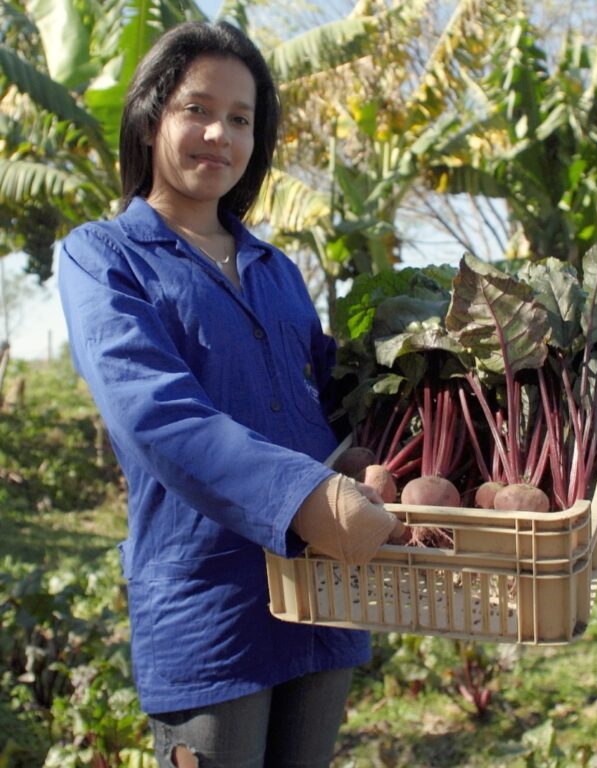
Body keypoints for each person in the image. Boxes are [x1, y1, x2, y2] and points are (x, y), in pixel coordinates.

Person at [58, 20, 407, 768]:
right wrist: (305, 498)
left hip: (323, 589)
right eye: (198, 109)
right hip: (211, 604)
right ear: (149, 119)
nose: (220, 134)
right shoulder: (103, 255)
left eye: (242, 119)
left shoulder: (276, 269)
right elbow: (155, 413)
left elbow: (335, 397)